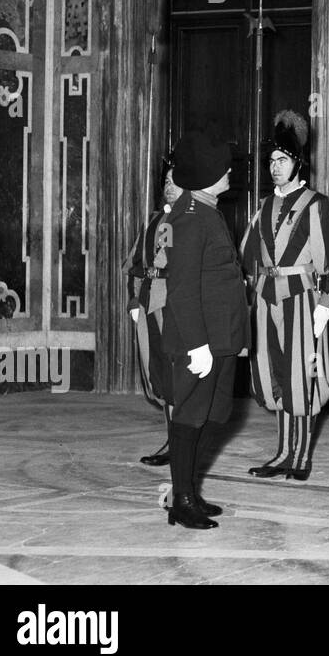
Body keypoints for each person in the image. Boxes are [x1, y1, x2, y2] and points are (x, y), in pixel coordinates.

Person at [239, 110, 329, 482]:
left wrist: (326, 306)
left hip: (302, 299)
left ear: (298, 163)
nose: (274, 167)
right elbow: (247, 256)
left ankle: (301, 456)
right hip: (267, 299)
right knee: (276, 377)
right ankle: (283, 452)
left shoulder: (318, 205)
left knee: (302, 377)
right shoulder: (265, 206)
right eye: (271, 161)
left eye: (282, 160)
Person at [160, 129, 249, 530]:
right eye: (223, 166)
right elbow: (180, 288)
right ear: (206, 173)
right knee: (192, 415)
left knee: (216, 414)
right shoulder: (192, 219)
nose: (230, 171)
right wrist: (197, 345)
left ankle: (189, 490)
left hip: (220, 337)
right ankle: (181, 499)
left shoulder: (207, 211)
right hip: (202, 341)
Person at [123, 156, 183, 466]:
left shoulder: (187, 221)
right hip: (147, 304)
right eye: (167, 182)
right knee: (157, 373)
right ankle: (172, 441)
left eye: (176, 181)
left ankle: (181, 446)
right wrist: (134, 302)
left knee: (176, 379)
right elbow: (135, 266)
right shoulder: (152, 221)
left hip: (171, 306)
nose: (169, 187)